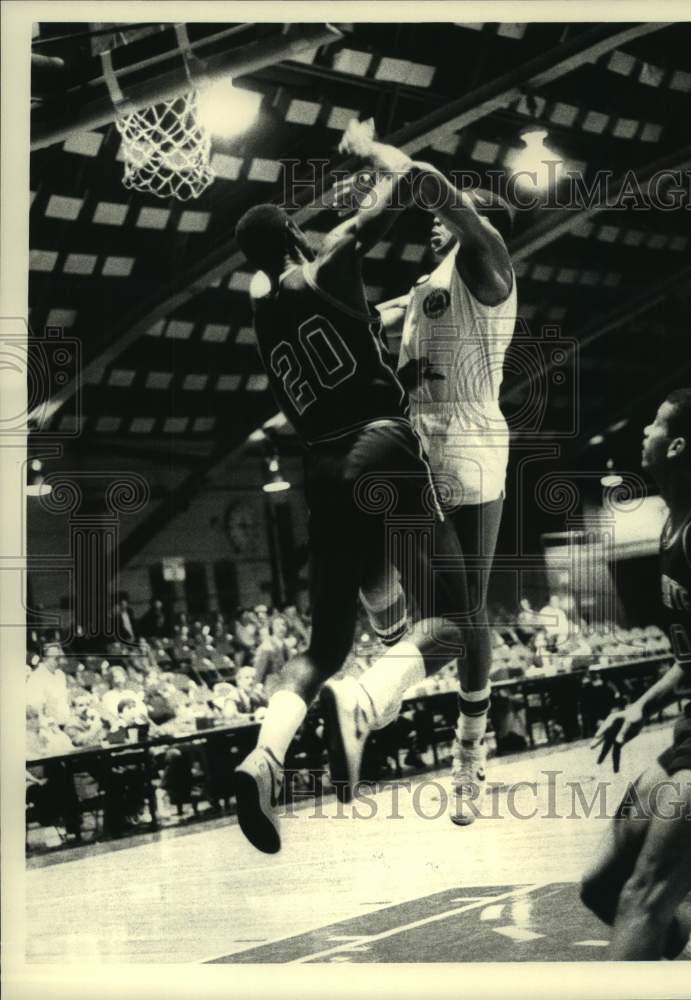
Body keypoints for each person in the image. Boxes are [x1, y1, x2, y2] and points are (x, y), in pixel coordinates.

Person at [231, 125, 470, 853]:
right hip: (380, 440)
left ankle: (264, 756)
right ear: (295, 236)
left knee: (323, 647)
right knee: (458, 614)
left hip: (322, 471)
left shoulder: (261, 307)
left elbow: (273, 278)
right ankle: (367, 699)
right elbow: (401, 188)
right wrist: (366, 153)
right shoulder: (329, 259)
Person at [347, 122, 516, 824]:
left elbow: (428, 184)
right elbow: (359, 322)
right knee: (354, 508)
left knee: (463, 611)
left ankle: (460, 746)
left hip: (467, 439)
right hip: (422, 438)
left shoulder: (487, 262)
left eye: (447, 220)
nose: (433, 227)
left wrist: (372, 155)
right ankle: (394, 646)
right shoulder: (422, 291)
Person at [580, 389, 691, 960]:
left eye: (654, 423)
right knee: (602, 888)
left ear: (676, 446)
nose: (643, 432)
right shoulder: (675, 523)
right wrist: (641, 707)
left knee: (644, 899)